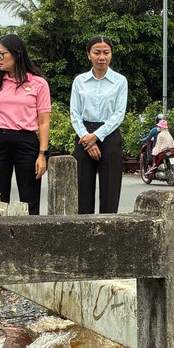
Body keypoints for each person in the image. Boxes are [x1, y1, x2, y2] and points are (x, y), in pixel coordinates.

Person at [0, 34, 51, 214]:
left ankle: (30, 238)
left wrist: (42, 154)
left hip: (26, 141)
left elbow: (44, 121)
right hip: (0, 140)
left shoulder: (38, 83)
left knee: (29, 197)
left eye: (2, 54)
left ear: (17, 53)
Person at [69, 35, 128, 214]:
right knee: (82, 191)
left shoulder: (120, 81)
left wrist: (96, 136)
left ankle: (108, 236)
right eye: (97, 53)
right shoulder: (79, 81)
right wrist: (87, 138)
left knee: (110, 191)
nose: (102, 57)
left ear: (111, 55)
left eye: (106, 52)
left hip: (110, 136)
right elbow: (74, 113)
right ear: (89, 55)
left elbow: (119, 114)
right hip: (83, 135)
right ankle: (84, 235)